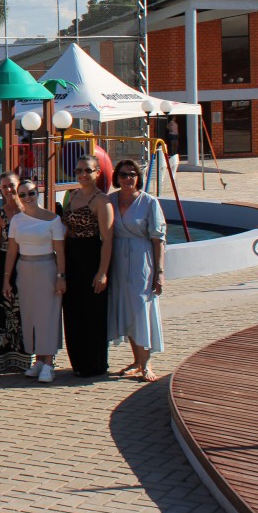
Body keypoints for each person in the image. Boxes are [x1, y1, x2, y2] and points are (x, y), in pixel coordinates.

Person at [108, 159, 167, 382]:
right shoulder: (110, 200)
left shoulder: (149, 202)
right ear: (117, 177)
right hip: (118, 261)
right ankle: (136, 360)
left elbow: (158, 239)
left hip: (141, 259)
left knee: (142, 308)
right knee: (126, 308)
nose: (128, 178)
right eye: (123, 174)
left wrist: (159, 271)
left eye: (132, 174)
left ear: (138, 177)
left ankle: (146, 363)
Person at [3, 180, 68, 384]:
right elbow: (12, 251)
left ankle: (49, 363)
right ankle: (38, 360)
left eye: (30, 193)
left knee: (47, 315)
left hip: (47, 268)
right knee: (30, 314)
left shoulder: (53, 219)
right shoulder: (16, 220)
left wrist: (61, 277)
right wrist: (6, 279)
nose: (27, 198)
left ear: (37, 193)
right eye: (22, 194)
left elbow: (60, 252)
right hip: (24, 269)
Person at [61, 155, 114, 378]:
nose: (83, 174)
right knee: (73, 311)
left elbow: (107, 240)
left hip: (91, 258)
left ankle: (95, 363)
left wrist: (102, 272)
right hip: (71, 258)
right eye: (79, 170)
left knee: (92, 312)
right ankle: (78, 362)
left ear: (97, 172)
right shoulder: (71, 196)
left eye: (88, 170)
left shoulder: (102, 201)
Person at [0, 171, 31, 374]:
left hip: (29, 264)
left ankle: (30, 355)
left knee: (27, 310)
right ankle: (6, 358)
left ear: (19, 185)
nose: (8, 190)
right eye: (4, 186)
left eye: (11, 185)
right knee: (7, 311)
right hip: (7, 267)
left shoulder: (30, 210)